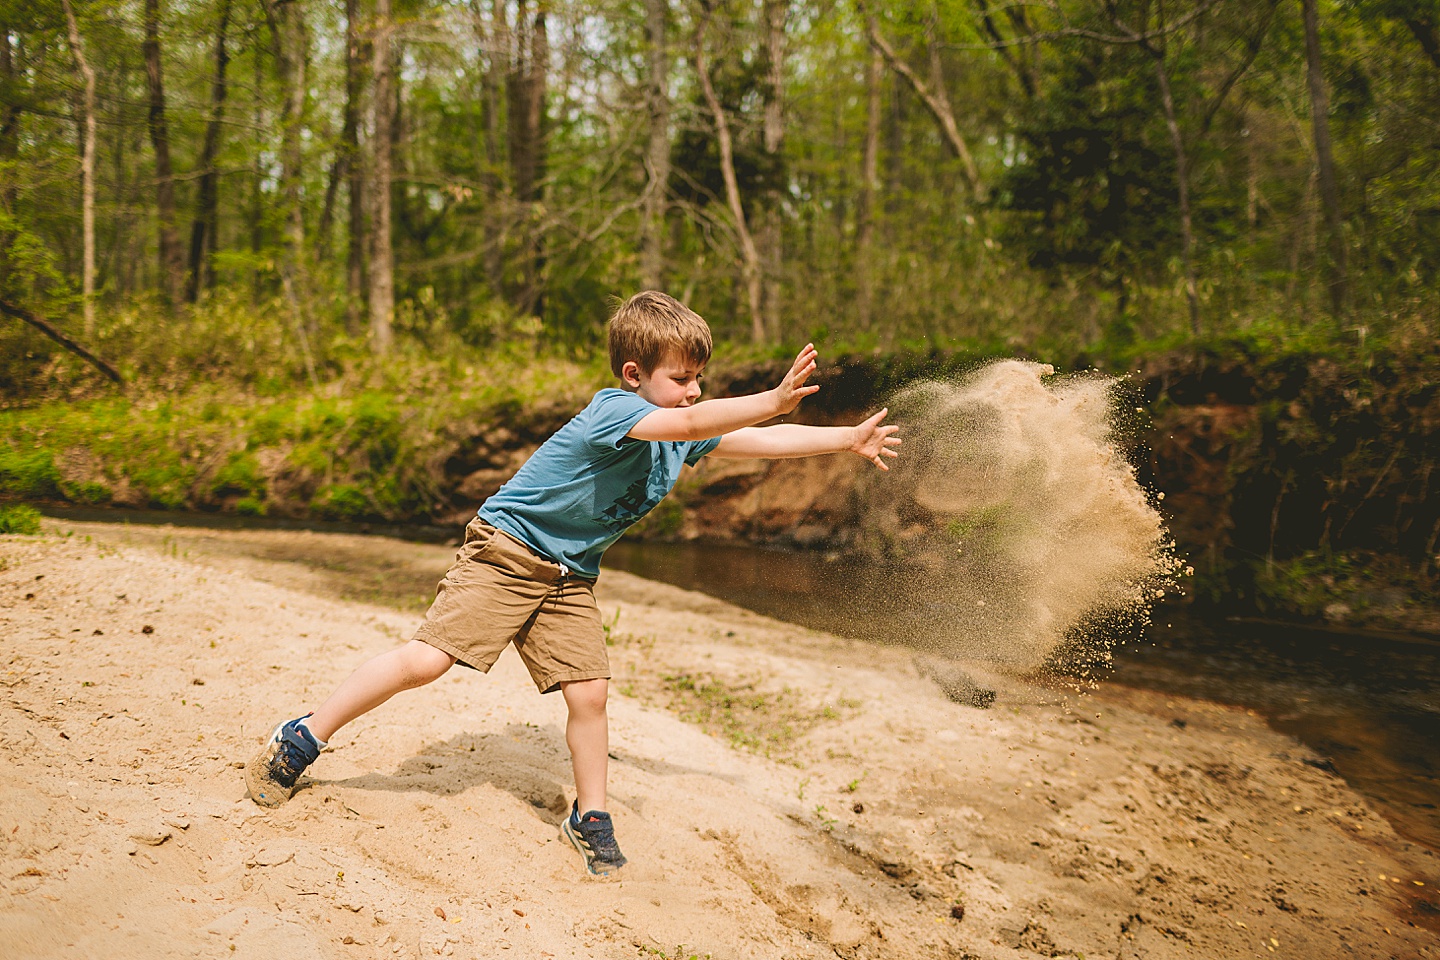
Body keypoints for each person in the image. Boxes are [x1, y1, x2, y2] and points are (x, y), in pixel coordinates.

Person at [244, 290, 901, 876]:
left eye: (700, 377)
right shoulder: (615, 412)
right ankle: (302, 735)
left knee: (590, 693)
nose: (694, 390)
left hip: (567, 577)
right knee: (428, 660)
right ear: (633, 375)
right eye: (682, 378)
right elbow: (695, 423)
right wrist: (772, 398)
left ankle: (590, 816)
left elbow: (745, 442)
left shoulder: (675, 429)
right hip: (508, 551)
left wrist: (844, 440)